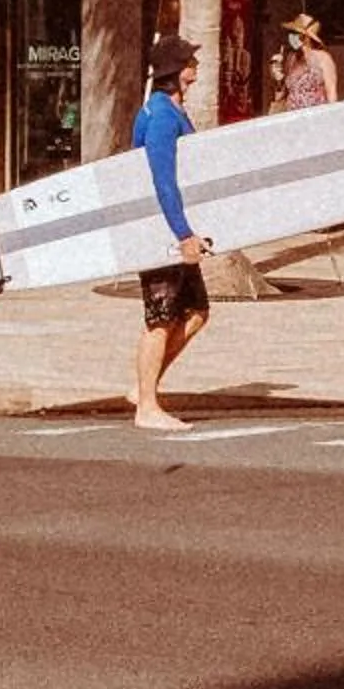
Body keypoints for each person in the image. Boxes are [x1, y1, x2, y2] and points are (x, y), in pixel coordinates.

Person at [132, 31, 208, 432]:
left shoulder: (173, 109)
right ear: (176, 73)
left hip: (175, 229)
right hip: (159, 231)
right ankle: (146, 406)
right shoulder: (160, 114)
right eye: (190, 63)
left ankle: (144, 388)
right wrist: (182, 235)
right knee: (161, 319)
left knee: (196, 313)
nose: (196, 68)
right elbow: (163, 180)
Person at [274, 10, 338, 111]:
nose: (291, 37)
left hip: (315, 115)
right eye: (290, 33)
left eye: (295, 33)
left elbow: (331, 92)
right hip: (292, 114)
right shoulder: (291, 58)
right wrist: (278, 79)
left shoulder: (323, 58)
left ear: (306, 37)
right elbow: (282, 93)